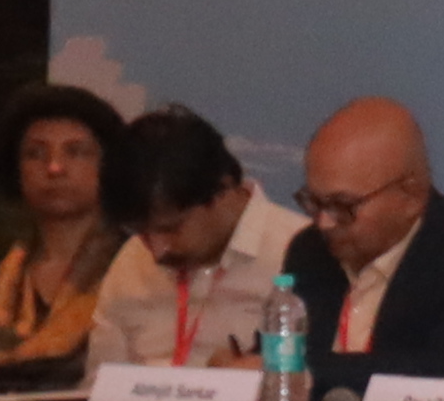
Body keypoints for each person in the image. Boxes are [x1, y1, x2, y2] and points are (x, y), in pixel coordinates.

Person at [285, 97, 444, 390]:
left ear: (411, 196)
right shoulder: (309, 249)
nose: (324, 222)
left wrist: (293, 371)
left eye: (343, 205)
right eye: (313, 201)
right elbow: (276, 347)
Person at [82, 106, 311, 373]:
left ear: (222, 189)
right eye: (141, 233)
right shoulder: (132, 259)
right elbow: (101, 381)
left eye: (171, 228)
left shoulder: (301, 253)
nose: (157, 250)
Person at [0, 83, 127, 384]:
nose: (54, 168)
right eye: (35, 154)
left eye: (76, 152)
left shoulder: (136, 268)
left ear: (110, 166)